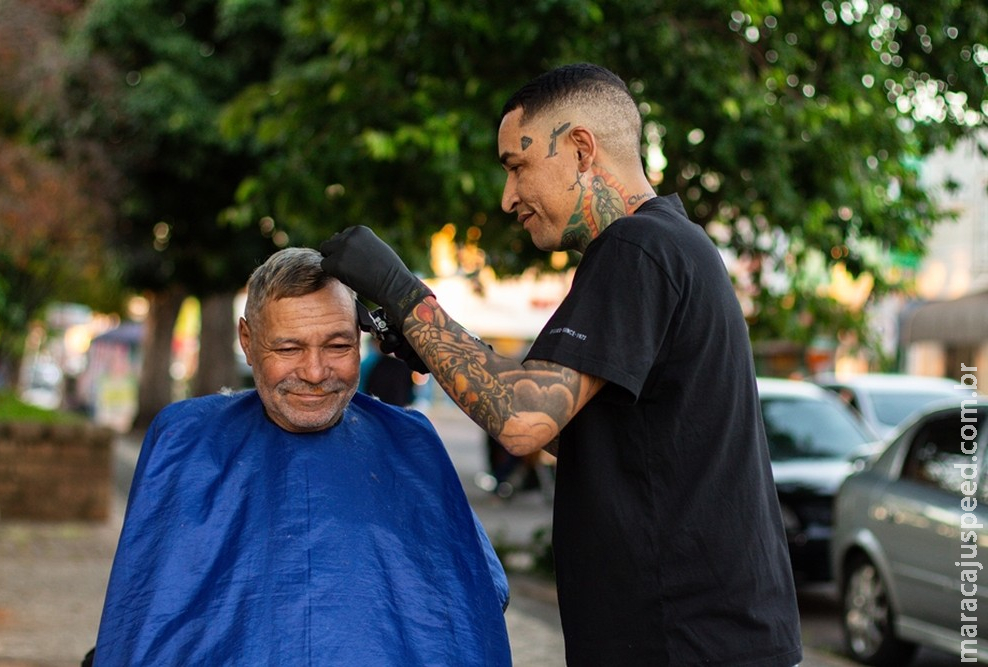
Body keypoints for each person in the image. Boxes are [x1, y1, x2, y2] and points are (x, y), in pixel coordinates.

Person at [320, 63, 803, 666]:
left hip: (683, 644)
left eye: (517, 166)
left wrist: (404, 292)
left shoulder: (636, 248)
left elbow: (524, 418)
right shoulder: (672, 246)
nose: (507, 198)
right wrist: (430, 349)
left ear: (579, 149)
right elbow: (573, 433)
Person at [90, 248, 511, 666]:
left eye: (337, 345)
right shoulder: (183, 442)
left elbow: (473, 601)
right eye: (289, 349)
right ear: (248, 341)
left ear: (360, 338)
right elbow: (143, 607)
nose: (314, 372)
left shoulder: (412, 445)